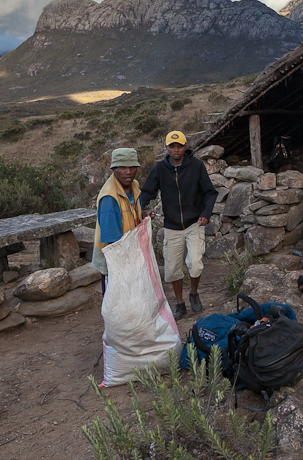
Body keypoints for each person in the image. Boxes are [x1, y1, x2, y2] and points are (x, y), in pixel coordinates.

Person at [139, 131, 217, 319]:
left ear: (185, 147)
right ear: (166, 148)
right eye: (172, 146)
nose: (176, 150)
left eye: (179, 146)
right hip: (172, 226)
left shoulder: (196, 166)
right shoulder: (160, 169)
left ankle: (194, 294)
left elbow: (210, 192)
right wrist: (141, 209)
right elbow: (146, 192)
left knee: (195, 264)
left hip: (194, 223)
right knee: (173, 269)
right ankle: (180, 304)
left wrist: (206, 213)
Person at [92, 147, 145, 295]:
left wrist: (143, 214)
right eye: (122, 167)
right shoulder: (109, 197)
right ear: (113, 169)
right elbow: (112, 241)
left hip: (130, 252)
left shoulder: (133, 186)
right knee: (117, 300)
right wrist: (125, 265)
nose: (128, 171)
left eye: (132, 167)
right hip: (115, 259)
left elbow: (130, 212)